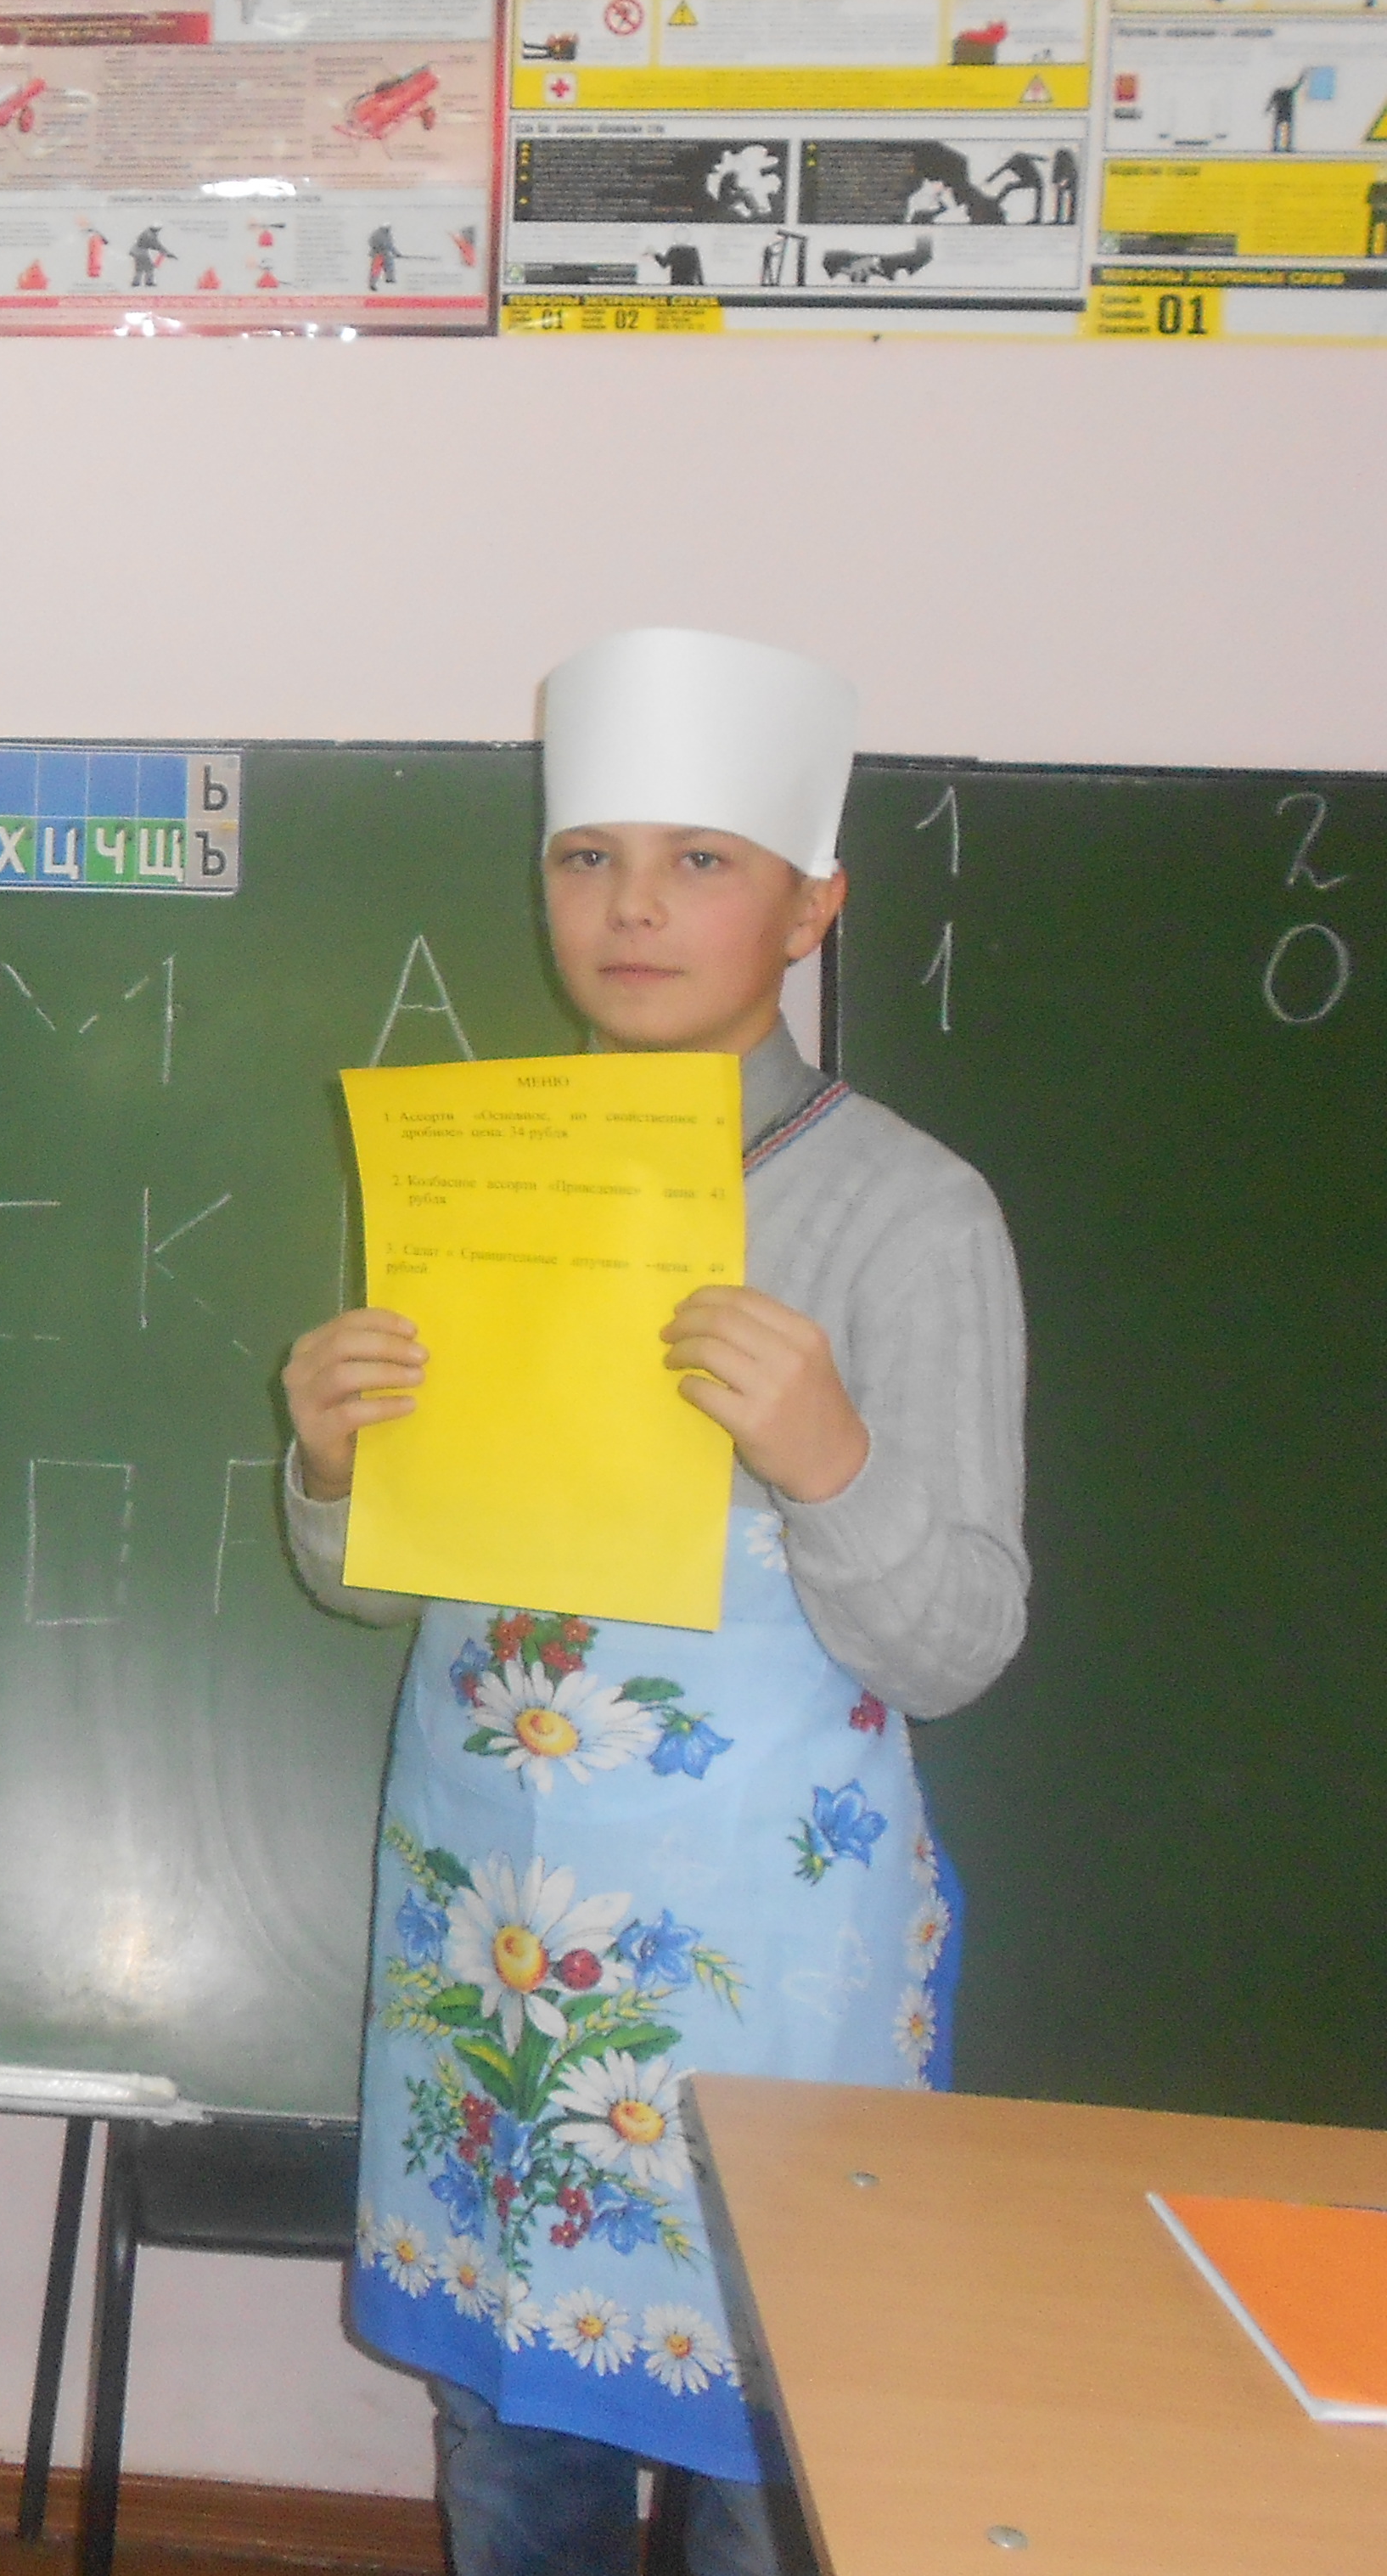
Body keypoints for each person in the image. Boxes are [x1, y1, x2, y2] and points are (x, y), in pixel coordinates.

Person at [278, 628, 1025, 2576]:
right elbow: (374, 1589)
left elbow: (959, 1643)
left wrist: (828, 1456)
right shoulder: (480, 1173)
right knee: (507, 2446)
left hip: (762, 1965)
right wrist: (334, 1468)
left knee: (775, 2460)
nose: (631, 906)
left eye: (701, 859)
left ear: (811, 905)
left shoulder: (906, 1211)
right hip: (497, 1935)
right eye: (587, 856)